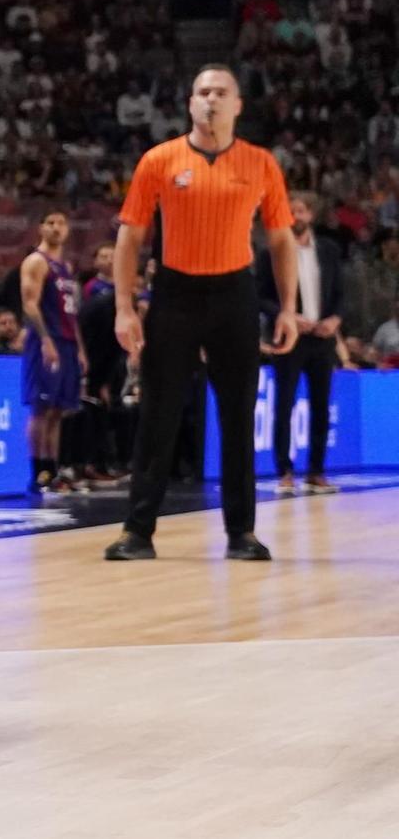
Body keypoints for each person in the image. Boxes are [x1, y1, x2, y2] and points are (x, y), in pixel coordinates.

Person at [105, 65, 296, 564]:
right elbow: (129, 236)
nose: (211, 99)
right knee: (159, 414)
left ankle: (242, 534)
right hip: (175, 293)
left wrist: (290, 308)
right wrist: (125, 307)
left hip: (235, 293)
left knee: (237, 417)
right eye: (202, 92)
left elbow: (280, 240)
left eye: (221, 92)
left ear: (238, 106)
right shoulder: (159, 160)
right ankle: (137, 531)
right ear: (190, 103)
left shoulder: (261, 164)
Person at [257, 191, 342, 496]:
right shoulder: (272, 252)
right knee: (285, 403)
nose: (296, 217)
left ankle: (317, 472)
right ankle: (284, 470)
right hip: (289, 337)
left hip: (321, 338)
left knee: (321, 405)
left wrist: (335, 319)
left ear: (312, 215)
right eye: (291, 211)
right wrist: (286, 314)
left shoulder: (330, 250)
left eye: (301, 211)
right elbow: (260, 295)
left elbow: (339, 293)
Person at [20, 211, 85, 493]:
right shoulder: (36, 261)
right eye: (50, 223)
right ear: (41, 228)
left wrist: (80, 349)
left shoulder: (66, 267)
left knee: (58, 411)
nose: (57, 228)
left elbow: (72, 314)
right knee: (41, 408)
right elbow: (29, 304)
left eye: (62, 223)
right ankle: (37, 475)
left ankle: (52, 471)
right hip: (47, 341)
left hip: (68, 341)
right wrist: (46, 340)